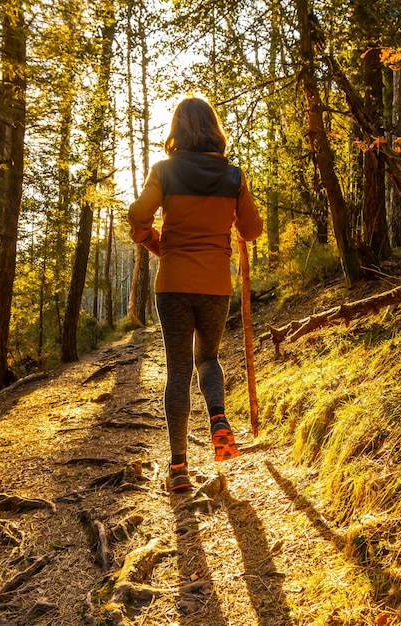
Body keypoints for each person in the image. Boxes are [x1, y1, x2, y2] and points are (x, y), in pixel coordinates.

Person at [128, 96, 263, 492]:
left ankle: (179, 468)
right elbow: (252, 231)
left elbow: (138, 216)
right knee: (208, 358)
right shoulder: (233, 176)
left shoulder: (164, 172)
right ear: (213, 129)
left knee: (178, 372)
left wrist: (156, 243)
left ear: (177, 130)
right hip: (214, 285)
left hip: (172, 284)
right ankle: (218, 419)